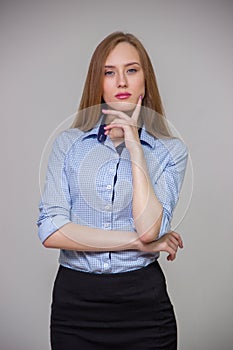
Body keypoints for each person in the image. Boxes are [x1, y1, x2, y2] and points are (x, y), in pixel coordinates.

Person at [37, 31, 188, 350]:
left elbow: (149, 228)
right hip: (75, 306)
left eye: (131, 70)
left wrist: (134, 143)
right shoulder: (69, 145)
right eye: (109, 72)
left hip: (143, 307)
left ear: (145, 82)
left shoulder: (170, 151)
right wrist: (136, 243)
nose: (121, 81)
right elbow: (51, 231)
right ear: (98, 83)